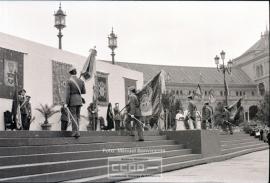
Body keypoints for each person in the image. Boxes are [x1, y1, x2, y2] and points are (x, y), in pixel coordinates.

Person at [65, 66, 86, 138]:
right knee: (78, 116)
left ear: (70, 73)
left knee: (73, 116)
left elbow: (67, 93)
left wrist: (66, 102)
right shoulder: (81, 81)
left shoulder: (69, 81)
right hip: (79, 100)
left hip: (72, 101)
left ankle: (74, 132)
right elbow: (83, 91)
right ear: (75, 72)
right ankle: (78, 132)